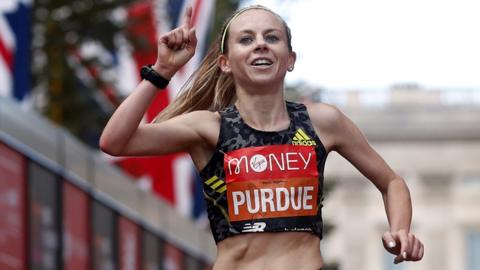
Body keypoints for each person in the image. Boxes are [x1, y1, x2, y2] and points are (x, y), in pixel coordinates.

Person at [100, 5, 424, 270]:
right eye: (246, 39)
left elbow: (392, 182)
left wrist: (400, 230)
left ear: (290, 59)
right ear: (225, 63)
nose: (261, 44)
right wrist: (162, 70)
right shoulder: (208, 128)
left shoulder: (324, 121)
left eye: (272, 37)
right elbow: (116, 142)